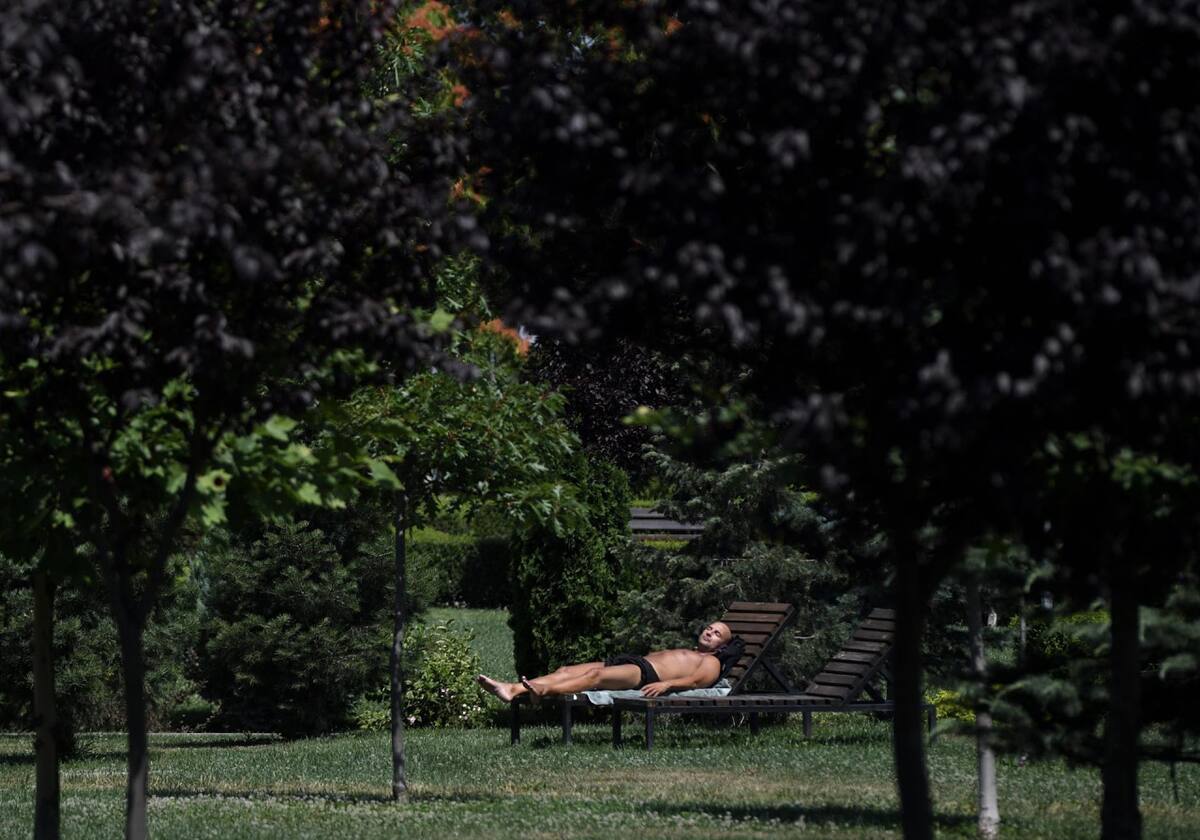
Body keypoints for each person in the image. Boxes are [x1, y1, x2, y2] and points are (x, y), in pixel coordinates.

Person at [477, 621, 743, 701]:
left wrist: (668, 685)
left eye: (717, 632)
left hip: (646, 675)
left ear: (724, 645)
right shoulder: (693, 652)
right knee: (568, 669)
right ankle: (513, 689)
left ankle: (545, 690)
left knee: (594, 678)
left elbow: (697, 681)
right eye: (709, 628)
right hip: (635, 662)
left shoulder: (713, 662)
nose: (709, 631)